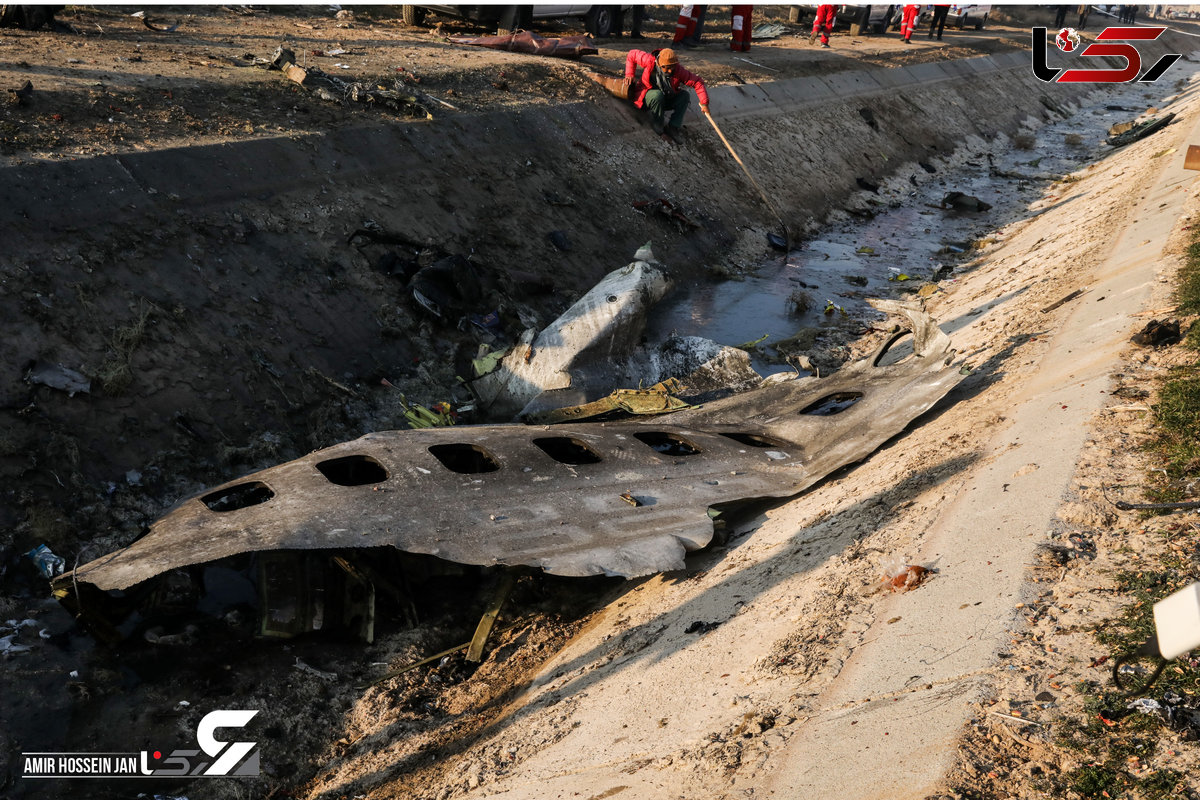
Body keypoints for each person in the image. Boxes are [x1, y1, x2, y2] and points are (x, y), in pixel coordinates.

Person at [624, 47, 709, 144]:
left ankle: (673, 127)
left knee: (684, 96)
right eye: (667, 68)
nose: (670, 71)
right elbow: (632, 54)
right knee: (657, 94)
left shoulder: (678, 70)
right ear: (659, 64)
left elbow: (697, 82)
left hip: (664, 98)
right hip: (646, 97)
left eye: (672, 67)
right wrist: (629, 74)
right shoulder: (649, 61)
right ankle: (659, 128)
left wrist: (704, 103)